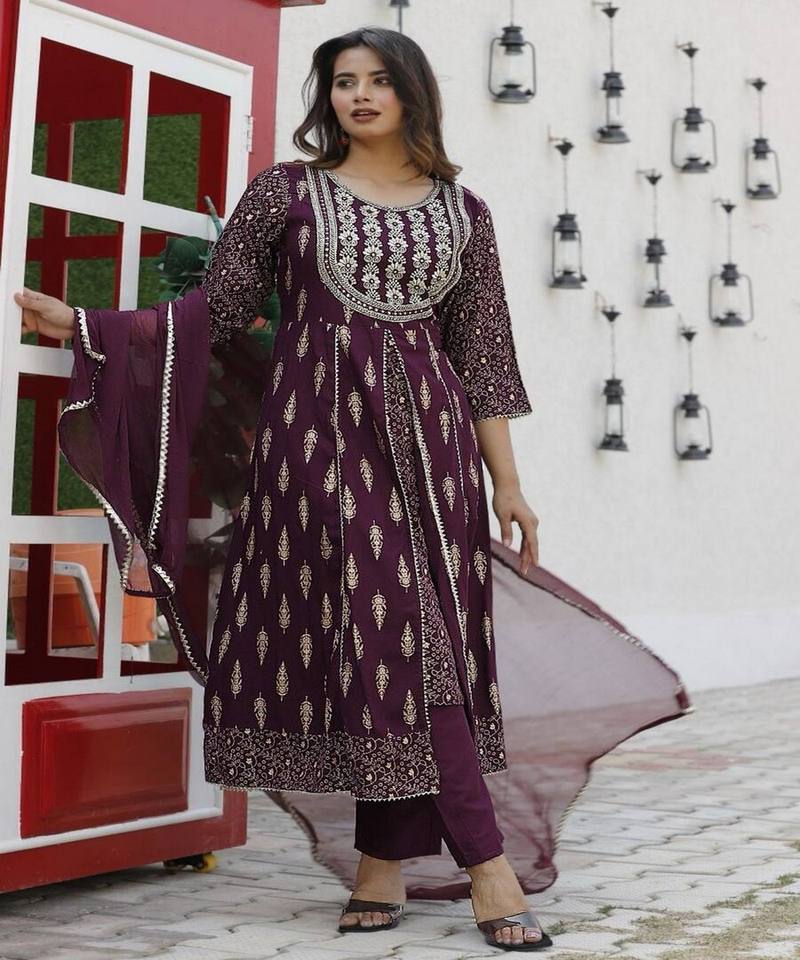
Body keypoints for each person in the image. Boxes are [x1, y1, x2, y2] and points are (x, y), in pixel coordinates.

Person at [15, 25, 691, 953]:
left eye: (378, 80)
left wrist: (509, 485)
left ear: (413, 92)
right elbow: (217, 310)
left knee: (405, 644)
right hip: (317, 448)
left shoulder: (465, 213)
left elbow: (485, 358)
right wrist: (90, 324)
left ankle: (382, 863)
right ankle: (488, 867)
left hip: (435, 454)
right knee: (396, 637)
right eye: (343, 81)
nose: (359, 95)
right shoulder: (287, 194)